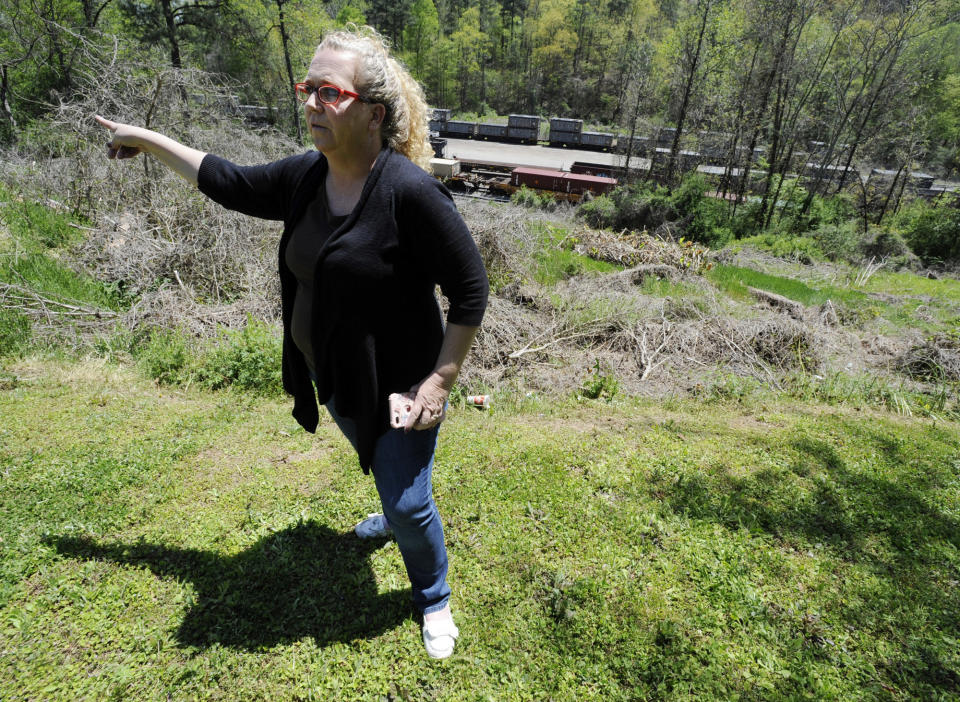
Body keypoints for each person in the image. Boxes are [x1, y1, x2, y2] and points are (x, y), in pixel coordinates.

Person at [95, 25, 488, 660]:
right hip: (332, 375)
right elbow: (226, 180)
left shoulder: (409, 194)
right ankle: (391, 509)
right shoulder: (308, 176)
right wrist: (143, 138)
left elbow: (470, 290)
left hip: (402, 388)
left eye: (328, 92)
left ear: (372, 114)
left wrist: (439, 381)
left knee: (412, 502)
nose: (309, 103)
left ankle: (433, 595)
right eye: (306, 88)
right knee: (386, 473)